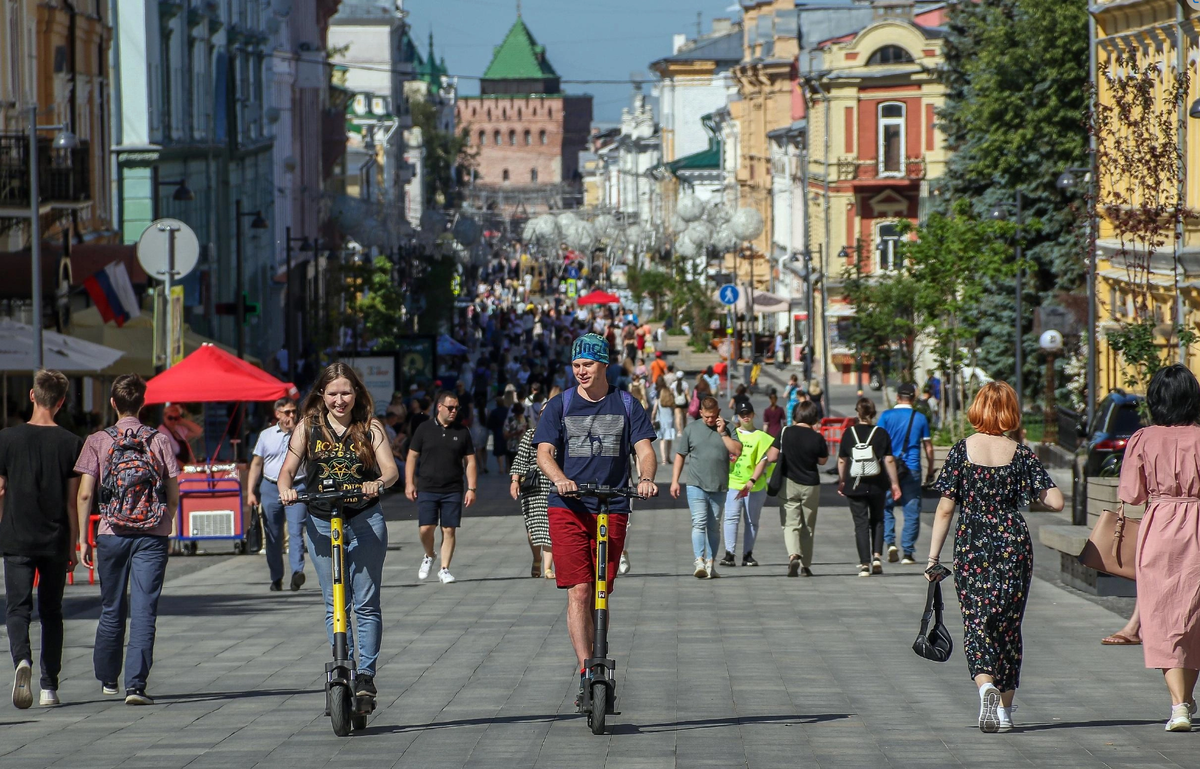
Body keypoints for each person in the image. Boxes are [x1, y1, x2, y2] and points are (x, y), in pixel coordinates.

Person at [927, 381, 1061, 733]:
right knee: (1007, 627)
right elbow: (1056, 501)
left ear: (978, 408)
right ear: (1010, 412)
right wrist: (1030, 492)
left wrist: (932, 558)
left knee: (977, 622)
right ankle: (1005, 711)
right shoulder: (1021, 454)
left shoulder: (960, 451)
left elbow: (944, 509)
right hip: (1012, 544)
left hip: (972, 542)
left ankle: (985, 686)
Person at [533, 333, 657, 707]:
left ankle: (596, 655)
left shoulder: (625, 404)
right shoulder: (561, 405)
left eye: (587, 364)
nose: (581, 371)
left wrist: (647, 478)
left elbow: (644, 449)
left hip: (612, 505)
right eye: (576, 365)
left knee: (602, 590)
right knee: (581, 590)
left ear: (604, 364)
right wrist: (560, 479)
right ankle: (588, 670)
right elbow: (544, 452)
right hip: (568, 507)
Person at [279, 363, 399, 703]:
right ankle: (341, 663)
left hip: (363, 519)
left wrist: (377, 482)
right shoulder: (307, 428)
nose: (339, 400)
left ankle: (366, 676)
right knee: (335, 603)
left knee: (365, 601)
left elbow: (390, 470)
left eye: (346, 392)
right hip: (321, 521)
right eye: (332, 394)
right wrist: (286, 489)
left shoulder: (369, 427)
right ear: (322, 395)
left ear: (356, 393)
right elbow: (287, 471)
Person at [76, 374, 180, 705]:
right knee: (145, 608)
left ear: (113, 403)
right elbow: (174, 491)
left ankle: (108, 678)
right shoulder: (159, 440)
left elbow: (84, 495)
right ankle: (135, 685)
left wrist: (83, 539)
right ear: (143, 403)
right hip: (152, 533)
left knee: (112, 606)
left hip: (111, 532)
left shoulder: (98, 440)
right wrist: (168, 520)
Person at [1116, 364, 1200, 731]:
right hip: (1198, 523)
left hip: (1160, 527)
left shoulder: (1143, 439)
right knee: (1194, 618)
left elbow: (1132, 494)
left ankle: (1178, 704)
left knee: (1162, 614)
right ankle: (1185, 699)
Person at [0, 370, 82, 708]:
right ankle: (49, 686)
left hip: (16, 534)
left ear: (32, 396)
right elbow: (73, 500)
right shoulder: (71, 443)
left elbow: (1, 489)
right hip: (54, 537)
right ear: (61, 402)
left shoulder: (6, 438)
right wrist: (75, 542)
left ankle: (22, 659)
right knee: (51, 612)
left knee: (17, 609)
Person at [406, 390, 477, 584]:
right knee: (425, 528)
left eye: (457, 408)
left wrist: (472, 488)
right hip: (428, 486)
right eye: (450, 407)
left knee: (449, 529)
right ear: (439, 407)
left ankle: (444, 569)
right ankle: (429, 554)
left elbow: (470, 461)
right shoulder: (424, 429)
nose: (454, 411)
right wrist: (409, 483)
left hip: (453, 488)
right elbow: (412, 456)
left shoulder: (462, 431)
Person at [670, 396, 742, 578]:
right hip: (696, 484)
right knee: (699, 522)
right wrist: (674, 480)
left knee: (714, 525)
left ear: (718, 412)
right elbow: (680, 455)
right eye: (706, 416)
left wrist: (723, 432)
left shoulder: (728, 427)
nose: (709, 420)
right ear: (701, 412)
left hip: (718, 485)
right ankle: (699, 561)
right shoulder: (691, 429)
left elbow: (736, 450)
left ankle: (711, 562)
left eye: (713, 416)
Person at [246, 398, 308, 592]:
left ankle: (297, 572)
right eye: (287, 412)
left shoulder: (302, 433)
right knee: (273, 534)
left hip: (297, 486)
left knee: (296, 530)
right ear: (278, 414)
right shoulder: (266, 435)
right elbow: (256, 464)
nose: (292, 416)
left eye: (293, 412)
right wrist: (250, 491)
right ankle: (276, 577)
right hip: (270, 487)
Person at [837, 398, 902, 578]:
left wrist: (842, 480)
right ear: (873, 414)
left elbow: (842, 459)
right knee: (878, 520)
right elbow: (889, 459)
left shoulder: (849, 433)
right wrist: (894, 483)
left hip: (855, 484)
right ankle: (876, 557)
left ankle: (864, 564)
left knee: (861, 524)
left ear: (858, 413)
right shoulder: (881, 433)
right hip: (877, 483)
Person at [876, 383, 934, 565]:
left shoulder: (886, 416)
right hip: (912, 467)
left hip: (889, 467)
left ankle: (890, 543)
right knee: (912, 509)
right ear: (914, 398)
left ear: (897, 397)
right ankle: (908, 552)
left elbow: (878, 443)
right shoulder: (920, 418)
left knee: (886, 507)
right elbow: (929, 447)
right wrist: (931, 468)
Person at [719, 403, 778, 568]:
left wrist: (754, 479)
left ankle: (748, 555)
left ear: (753, 415)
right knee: (731, 518)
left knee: (752, 520)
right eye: (742, 414)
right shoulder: (732, 435)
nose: (746, 416)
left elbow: (767, 459)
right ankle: (729, 554)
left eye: (749, 413)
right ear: (737, 416)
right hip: (734, 483)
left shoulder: (762, 436)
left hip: (755, 486)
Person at [777, 400, 828, 578]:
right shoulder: (817, 437)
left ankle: (793, 555)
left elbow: (772, 455)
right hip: (811, 484)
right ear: (813, 417)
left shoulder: (785, 432)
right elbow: (822, 461)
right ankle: (806, 565)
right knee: (808, 526)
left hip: (789, 482)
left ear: (796, 415)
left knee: (791, 524)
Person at [510, 408, 554, 578]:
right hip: (533, 486)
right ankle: (537, 558)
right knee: (534, 528)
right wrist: (515, 481)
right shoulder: (530, 435)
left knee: (551, 526)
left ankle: (548, 568)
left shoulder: (561, 436)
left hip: (553, 485)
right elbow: (520, 460)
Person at [652, 380, 677, 464]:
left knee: (662, 440)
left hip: (662, 422)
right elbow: (673, 412)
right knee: (669, 440)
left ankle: (663, 459)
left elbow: (654, 411)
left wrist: (652, 419)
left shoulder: (658, 401)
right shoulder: (671, 403)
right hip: (670, 422)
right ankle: (668, 456)